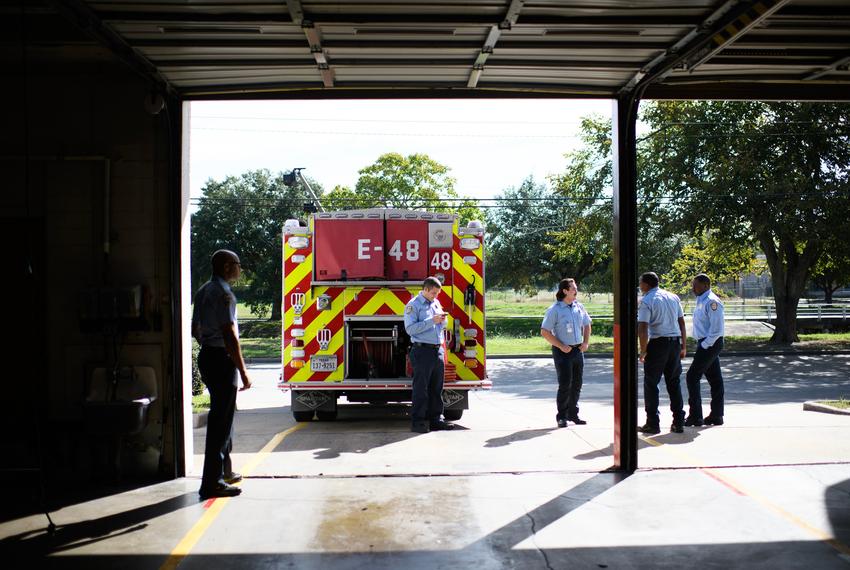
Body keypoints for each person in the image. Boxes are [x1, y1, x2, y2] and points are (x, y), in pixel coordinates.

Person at [192, 249, 252, 499]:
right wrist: (243, 371)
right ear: (227, 267)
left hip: (207, 355)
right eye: (238, 264)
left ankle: (224, 471)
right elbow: (230, 335)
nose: (240, 268)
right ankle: (212, 482)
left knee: (223, 418)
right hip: (221, 359)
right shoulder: (225, 294)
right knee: (220, 423)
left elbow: (196, 329)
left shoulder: (204, 289)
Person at [637, 272, 687, 435]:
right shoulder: (673, 297)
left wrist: (643, 350)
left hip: (658, 343)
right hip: (674, 343)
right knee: (674, 383)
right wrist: (683, 346)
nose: (639, 286)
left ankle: (653, 423)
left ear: (646, 284)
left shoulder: (647, 300)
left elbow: (643, 327)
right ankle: (678, 422)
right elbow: (681, 323)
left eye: (640, 283)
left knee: (651, 384)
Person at [404, 276, 455, 433]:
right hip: (422, 350)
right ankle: (418, 422)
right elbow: (410, 329)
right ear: (425, 289)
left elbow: (441, 323)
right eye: (433, 293)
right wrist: (432, 321)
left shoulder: (436, 303)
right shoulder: (413, 305)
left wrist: (442, 321)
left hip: (436, 350)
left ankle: (436, 420)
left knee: (436, 388)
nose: (436, 296)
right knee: (421, 389)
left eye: (437, 293)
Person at [541, 278, 592, 428]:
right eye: (573, 288)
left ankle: (573, 414)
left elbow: (587, 325)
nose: (576, 291)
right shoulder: (555, 309)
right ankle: (561, 416)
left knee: (577, 384)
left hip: (577, 350)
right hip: (562, 352)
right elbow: (545, 332)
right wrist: (561, 346)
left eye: (576, 288)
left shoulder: (579, 307)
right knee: (565, 384)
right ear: (565, 291)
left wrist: (585, 342)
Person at [685, 273, 726, 426]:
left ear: (706, 285)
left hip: (710, 343)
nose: (693, 288)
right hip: (706, 342)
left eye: (695, 285)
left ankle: (695, 416)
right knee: (715, 380)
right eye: (692, 285)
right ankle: (716, 415)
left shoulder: (712, 302)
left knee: (692, 377)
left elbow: (716, 330)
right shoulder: (701, 300)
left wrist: (704, 345)